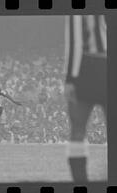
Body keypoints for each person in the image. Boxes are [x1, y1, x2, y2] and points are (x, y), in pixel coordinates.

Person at [64, 15, 107, 182]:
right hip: (104, 64)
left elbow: (75, 42)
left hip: (86, 67)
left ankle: (80, 182)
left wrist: (70, 78)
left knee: (77, 129)